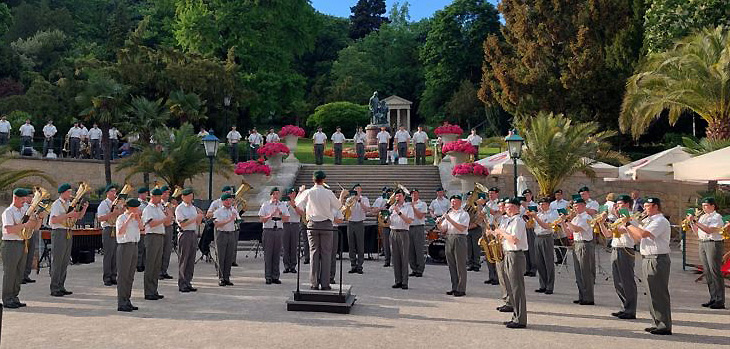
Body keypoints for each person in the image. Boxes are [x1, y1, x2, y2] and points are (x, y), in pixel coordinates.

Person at [625, 197, 672, 335]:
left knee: (659, 292)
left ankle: (664, 324)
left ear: (656, 207)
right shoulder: (649, 221)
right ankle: (656, 322)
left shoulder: (660, 221)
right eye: (644, 206)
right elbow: (636, 238)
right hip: (647, 257)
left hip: (658, 258)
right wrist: (628, 227)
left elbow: (643, 234)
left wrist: (628, 224)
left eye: (647, 206)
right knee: (651, 291)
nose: (644, 208)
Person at [294, 170, 342, 290]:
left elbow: (297, 202)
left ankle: (314, 283)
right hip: (326, 224)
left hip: (312, 224)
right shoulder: (328, 192)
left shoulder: (308, 192)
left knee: (314, 252)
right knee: (326, 253)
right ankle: (325, 283)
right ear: (323, 180)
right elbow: (339, 206)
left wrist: (300, 192)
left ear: (313, 180)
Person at [599, 194, 637, 319]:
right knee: (618, 281)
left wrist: (613, 223)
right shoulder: (618, 219)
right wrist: (601, 223)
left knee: (627, 281)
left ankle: (630, 310)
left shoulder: (632, 218)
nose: (617, 206)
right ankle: (624, 306)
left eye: (619, 204)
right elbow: (608, 235)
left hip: (626, 249)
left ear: (626, 204)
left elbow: (623, 231)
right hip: (616, 248)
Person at [493, 197, 528, 328]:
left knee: (517, 288)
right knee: (511, 287)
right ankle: (516, 316)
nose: (505, 209)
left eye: (508, 207)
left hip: (515, 255)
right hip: (507, 254)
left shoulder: (518, 221)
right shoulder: (509, 220)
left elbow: (514, 239)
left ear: (515, 207)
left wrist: (501, 232)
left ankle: (520, 319)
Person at [49, 183, 89, 296]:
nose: (71, 194)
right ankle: (54, 287)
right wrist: (68, 215)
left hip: (68, 231)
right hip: (59, 232)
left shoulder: (68, 204)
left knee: (65, 261)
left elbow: (78, 216)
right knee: (57, 261)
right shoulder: (57, 204)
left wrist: (84, 209)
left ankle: (61, 285)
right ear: (63, 193)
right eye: (69, 192)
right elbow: (53, 220)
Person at [2, 188, 38, 308]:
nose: (24, 201)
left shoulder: (24, 210)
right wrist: (24, 225)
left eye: (25, 199)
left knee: (19, 272)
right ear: (15, 198)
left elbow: (34, 226)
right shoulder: (9, 212)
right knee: (10, 272)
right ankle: (7, 299)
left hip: (22, 242)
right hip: (11, 244)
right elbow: (9, 229)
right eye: (22, 199)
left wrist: (37, 218)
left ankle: (14, 297)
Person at [689, 197, 725, 309]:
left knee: (715, 271)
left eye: (706, 206)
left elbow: (709, 230)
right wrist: (691, 223)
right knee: (707, 271)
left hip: (713, 243)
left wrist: (696, 222)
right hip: (703, 242)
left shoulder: (717, 217)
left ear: (713, 206)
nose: (704, 208)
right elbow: (697, 232)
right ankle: (713, 297)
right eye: (703, 206)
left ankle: (720, 300)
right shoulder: (702, 217)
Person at [562, 198, 595, 305]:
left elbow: (577, 229)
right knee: (578, 271)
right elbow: (568, 233)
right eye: (574, 206)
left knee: (585, 271)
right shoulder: (576, 218)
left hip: (584, 243)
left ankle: (588, 297)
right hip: (576, 243)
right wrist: (562, 223)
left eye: (577, 206)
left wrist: (567, 221)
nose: (575, 208)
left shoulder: (587, 217)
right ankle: (582, 295)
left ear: (583, 206)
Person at [142, 188, 171, 300]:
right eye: (158, 197)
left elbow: (167, 222)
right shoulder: (149, 209)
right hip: (152, 236)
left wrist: (168, 214)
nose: (160, 199)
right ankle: (148, 291)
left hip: (160, 236)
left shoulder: (159, 208)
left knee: (156, 265)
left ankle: (154, 289)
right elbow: (152, 223)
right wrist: (165, 219)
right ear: (153, 197)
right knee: (150, 264)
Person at [114, 198, 143, 312]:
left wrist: (138, 219)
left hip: (134, 245)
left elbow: (142, 228)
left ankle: (127, 299)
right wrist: (128, 220)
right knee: (123, 276)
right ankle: (121, 302)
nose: (137, 210)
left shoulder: (136, 218)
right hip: (124, 246)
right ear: (130, 208)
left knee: (130, 275)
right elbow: (120, 232)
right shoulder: (121, 218)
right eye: (135, 208)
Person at [438, 195, 470, 296]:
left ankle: (461, 289)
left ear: (460, 202)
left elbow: (461, 228)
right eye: (451, 202)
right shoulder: (449, 214)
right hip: (449, 237)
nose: (452, 204)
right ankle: (454, 287)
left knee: (460, 264)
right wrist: (439, 224)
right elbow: (444, 230)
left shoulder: (464, 214)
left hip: (460, 238)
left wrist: (450, 220)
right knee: (451, 264)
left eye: (455, 202)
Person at [258, 187, 289, 284]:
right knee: (268, 254)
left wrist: (280, 213)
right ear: (271, 195)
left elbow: (287, 218)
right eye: (274, 194)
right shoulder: (266, 205)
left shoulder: (282, 205)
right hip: (268, 230)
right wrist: (270, 215)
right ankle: (268, 276)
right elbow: (261, 219)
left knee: (277, 253)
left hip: (278, 230)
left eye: (277, 194)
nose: (276, 196)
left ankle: (275, 276)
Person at [175, 188, 203, 292]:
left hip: (193, 233)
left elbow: (198, 223)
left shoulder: (193, 208)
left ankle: (188, 282)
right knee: (184, 259)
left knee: (191, 259)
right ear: (183, 197)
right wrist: (195, 217)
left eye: (191, 196)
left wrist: (200, 217)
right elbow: (182, 223)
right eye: (188, 196)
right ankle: (182, 283)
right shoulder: (180, 208)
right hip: (184, 233)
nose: (190, 198)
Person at [529, 197, 559, 294]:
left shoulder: (553, 214)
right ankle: (542, 285)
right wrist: (529, 218)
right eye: (540, 204)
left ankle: (550, 286)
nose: (541, 206)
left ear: (548, 204)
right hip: (537, 237)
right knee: (539, 262)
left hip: (547, 237)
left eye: (543, 204)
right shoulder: (538, 214)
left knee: (548, 262)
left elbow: (546, 226)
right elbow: (531, 226)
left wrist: (536, 217)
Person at [97, 185, 123, 286]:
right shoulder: (103, 204)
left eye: (115, 191)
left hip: (116, 228)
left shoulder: (117, 203)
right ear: (107, 193)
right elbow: (100, 218)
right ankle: (107, 277)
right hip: (108, 228)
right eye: (112, 191)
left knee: (116, 254)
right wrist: (112, 214)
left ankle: (113, 275)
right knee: (108, 254)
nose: (114, 193)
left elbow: (120, 214)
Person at [389, 189, 414, 290]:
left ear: (403, 197)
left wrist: (399, 212)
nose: (398, 198)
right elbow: (388, 221)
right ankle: (397, 280)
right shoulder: (391, 207)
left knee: (404, 258)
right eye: (396, 196)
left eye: (399, 196)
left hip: (403, 232)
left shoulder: (408, 208)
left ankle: (404, 282)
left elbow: (409, 221)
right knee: (395, 258)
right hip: (393, 232)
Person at [213, 193, 240, 286]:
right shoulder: (218, 211)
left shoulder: (233, 210)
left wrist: (236, 218)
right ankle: (221, 278)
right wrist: (229, 219)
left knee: (229, 256)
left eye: (230, 200)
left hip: (231, 233)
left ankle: (227, 277)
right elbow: (217, 224)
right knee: (221, 256)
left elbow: (238, 220)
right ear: (223, 201)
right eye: (227, 200)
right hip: (222, 234)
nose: (229, 202)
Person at [347, 184, 370, 274]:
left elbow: (367, 209)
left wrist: (359, 201)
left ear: (361, 190)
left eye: (358, 189)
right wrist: (351, 202)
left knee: (360, 245)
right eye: (355, 189)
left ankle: (360, 266)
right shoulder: (350, 199)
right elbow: (346, 210)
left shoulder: (364, 199)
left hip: (360, 223)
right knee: (351, 245)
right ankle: (353, 265)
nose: (357, 190)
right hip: (351, 222)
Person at [283, 188, 306, 271]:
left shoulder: (299, 202)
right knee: (286, 246)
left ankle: (293, 265)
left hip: (295, 224)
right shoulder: (284, 203)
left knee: (294, 246)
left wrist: (294, 206)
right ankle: (286, 265)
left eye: (293, 193)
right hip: (286, 224)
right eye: (290, 193)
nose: (292, 195)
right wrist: (289, 205)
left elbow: (302, 213)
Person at [482, 187, 501, 285]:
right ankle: (491, 276)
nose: (490, 195)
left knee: (496, 252)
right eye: (489, 193)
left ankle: (498, 276)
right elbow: (484, 215)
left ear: (497, 194)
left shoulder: (499, 203)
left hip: (495, 227)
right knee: (488, 252)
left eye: (492, 193)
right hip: (488, 227)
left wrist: (484, 205)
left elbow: (494, 212)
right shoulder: (488, 204)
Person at [408, 189, 428, 277]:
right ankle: (413, 268)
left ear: (418, 194)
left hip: (418, 227)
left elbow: (420, 216)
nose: (413, 195)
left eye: (415, 194)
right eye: (412, 194)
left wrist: (413, 207)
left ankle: (420, 269)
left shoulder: (422, 204)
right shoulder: (407, 204)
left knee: (418, 249)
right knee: (410, 250)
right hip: (409, 227)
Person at [373, 187, 393, 267]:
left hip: (394, 223)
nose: (390, 194)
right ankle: (387, 260)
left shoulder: (396, 201)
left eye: (391, 193)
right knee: (386, 242)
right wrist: (382, 208)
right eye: (388, 193)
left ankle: (395, 260)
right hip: (384, 222)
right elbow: (374, 210)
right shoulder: (380, 200)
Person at [159, 186, 175, 280]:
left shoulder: (169, 204)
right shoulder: (159, 205)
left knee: (167, 250)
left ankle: (164, 270)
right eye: (165, 193)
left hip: (169, 227)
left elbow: (172, 215)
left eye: (168, 193)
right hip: (162, 226)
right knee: (160, 250)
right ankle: (159, 272)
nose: (167, 195)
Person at [550, 189, 569, 264]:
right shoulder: (552, 204)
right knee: (556, 242)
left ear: (562, 195)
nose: (558, 196)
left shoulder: (566, 203)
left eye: (559, 195)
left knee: (563, 241)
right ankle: (559, 259)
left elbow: (568, 213)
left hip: (562, 223)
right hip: (555, 224)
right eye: (556, 195)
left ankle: (564, 258)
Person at [521, 189, 537, 277]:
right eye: (524, 196)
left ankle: (533, 269)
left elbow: (533, 214)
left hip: (531, 228)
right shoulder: (520, 206)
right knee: (525, 249)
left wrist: (526, 207)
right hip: (522, 228)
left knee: (532, 249)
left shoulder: (534, 205)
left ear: (531, 196)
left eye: (527, 195)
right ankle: (526, 268)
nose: (526, 197)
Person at [136, 187, 150, 272]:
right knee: (140, 247)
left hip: (147, 227)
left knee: (145, 247)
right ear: (141, 194)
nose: (146, 195)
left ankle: (144, 264)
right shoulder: (138, 203)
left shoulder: (147, 203)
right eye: (145, 194)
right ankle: (138, 264)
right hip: (140, 226)